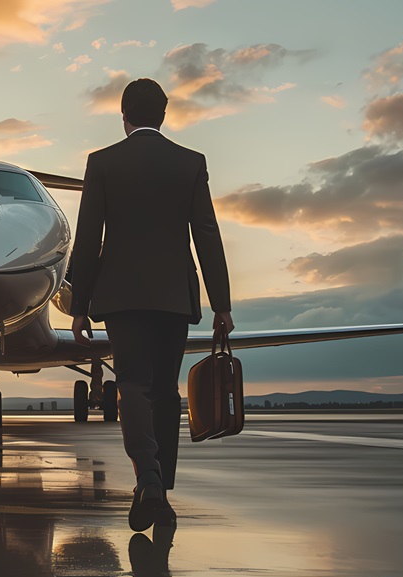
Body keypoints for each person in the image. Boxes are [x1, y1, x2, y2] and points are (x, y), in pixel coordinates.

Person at [69, 78, 234, 532]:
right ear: (163, 116)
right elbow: (207, 234)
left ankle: (150, 480)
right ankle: (161, 487)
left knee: (133, 386)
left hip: (122, 297)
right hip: (173, 296)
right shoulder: (189, 163)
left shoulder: (102, 163)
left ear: (124, 116)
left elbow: (87, 240)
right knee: (165, 389)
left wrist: (78, 304)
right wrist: (222, 304)